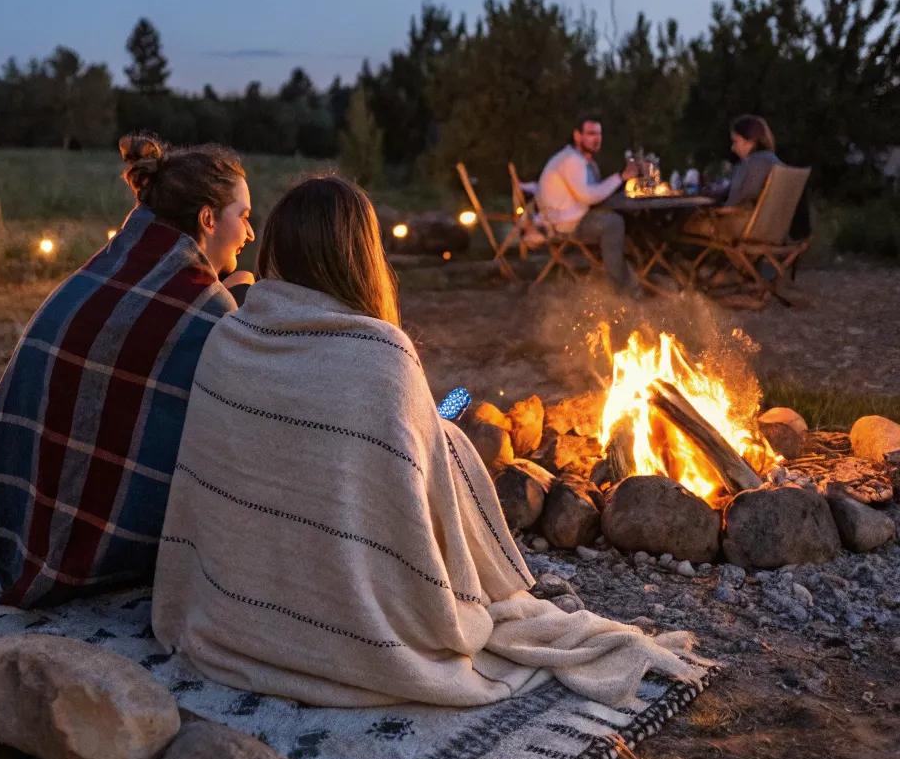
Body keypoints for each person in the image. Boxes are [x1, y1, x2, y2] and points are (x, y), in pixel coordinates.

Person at [152, 175, 705, 712]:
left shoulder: (229, 337)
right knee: (451, 440)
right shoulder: (379, 355)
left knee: (445, 435)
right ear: (360, 255)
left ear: (277, 249)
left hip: (229, 613)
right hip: (351, 632)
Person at [0, 133, 255, 607]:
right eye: (243, 216)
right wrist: (241, 303)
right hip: (94, 542)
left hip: (14, 519)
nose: (249, 233)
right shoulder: (203, 306)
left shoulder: (111, 269)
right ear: (207, 218)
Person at [536, 115, 636, 287]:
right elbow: (588, 196)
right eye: (590, 133)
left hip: (573, 217)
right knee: (613, 223)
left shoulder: (582, 161)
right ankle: (620, 285)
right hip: (565, 224)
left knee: (627, 217)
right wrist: (621, 177)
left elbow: (594, 193)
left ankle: (632, 271)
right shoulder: (571, 160)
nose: (596, 139)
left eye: (599, 134)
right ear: (577, 135)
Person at [686, 115, 782, 240]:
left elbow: (733, 203)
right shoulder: (775, 162)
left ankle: (681, 258)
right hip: (772, 229)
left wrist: (713, 209)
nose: (732, 148)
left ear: (750, 141)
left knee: (687, 223)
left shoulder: (749, 164)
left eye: (735, 141)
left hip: (742, 228)